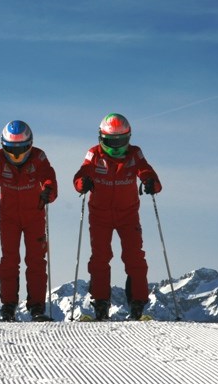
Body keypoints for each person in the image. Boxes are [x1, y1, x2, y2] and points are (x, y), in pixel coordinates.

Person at [73, 113, 162, 320]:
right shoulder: (93, 154)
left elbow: (147, 171)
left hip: (128, 214)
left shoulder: (134, 154)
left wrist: (150, 182)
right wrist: (82, 183)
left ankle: (138, 305)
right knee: (100, 259)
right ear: (101, 138)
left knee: (135, 257)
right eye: (110, 141)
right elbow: (81, 174)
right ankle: (101, 304)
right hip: (100, 215)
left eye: (120, 140)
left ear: (128, 138)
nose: (115, 145)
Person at [0, 120, 58, 321]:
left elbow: (49, 176)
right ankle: (8, 306)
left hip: (35, 216)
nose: (16, 153)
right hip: (8, 218)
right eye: (11, 148)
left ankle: (37, 307)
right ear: (3, 145)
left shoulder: (38, 156)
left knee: (36, 262)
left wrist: (48, 190)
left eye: (21, 148)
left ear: (29, 144)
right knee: (9, 261)